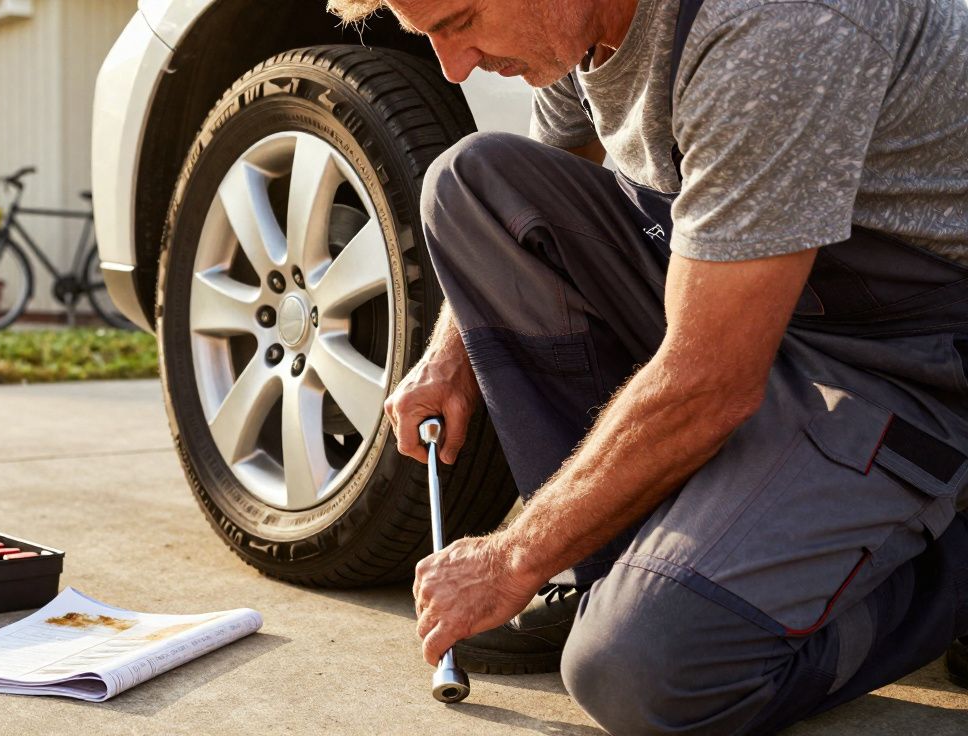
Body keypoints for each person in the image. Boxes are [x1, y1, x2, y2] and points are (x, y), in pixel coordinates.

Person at [325, 0, 968, 732]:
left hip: (901, 356)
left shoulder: (774, 25)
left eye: (460, 20)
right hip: (748, 300)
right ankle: (609, 562)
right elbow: (559, 160)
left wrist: (515, 557)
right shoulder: (582, 25)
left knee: (648, 672)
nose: (453, 64)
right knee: (473, 183)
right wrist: (450, 353)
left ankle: (939, 570)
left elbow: (709, 382)